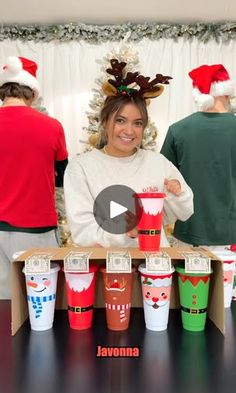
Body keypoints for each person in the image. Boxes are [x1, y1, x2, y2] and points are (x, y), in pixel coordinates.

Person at [64, 59, 193, 248]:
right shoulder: (81, 167)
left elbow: (184, 212)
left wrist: (178, 193)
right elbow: (83, 233)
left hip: (154, 267)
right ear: (105, 121)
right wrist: (127, 234)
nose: (129, 131)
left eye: (138, 123)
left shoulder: (157, 162)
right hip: (107, 269)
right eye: (121, 121)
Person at [0, 56, 68, 299]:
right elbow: (62, 177)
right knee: (41, 301)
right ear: (32, 92)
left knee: (4, 305)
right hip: (35, 230)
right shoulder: (51, 127)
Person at [161, 64, 236, 249]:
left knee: (187, 279)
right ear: (226, 91)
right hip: (231, 232)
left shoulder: (178, 130)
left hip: (189, 232)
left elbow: (163, 179)